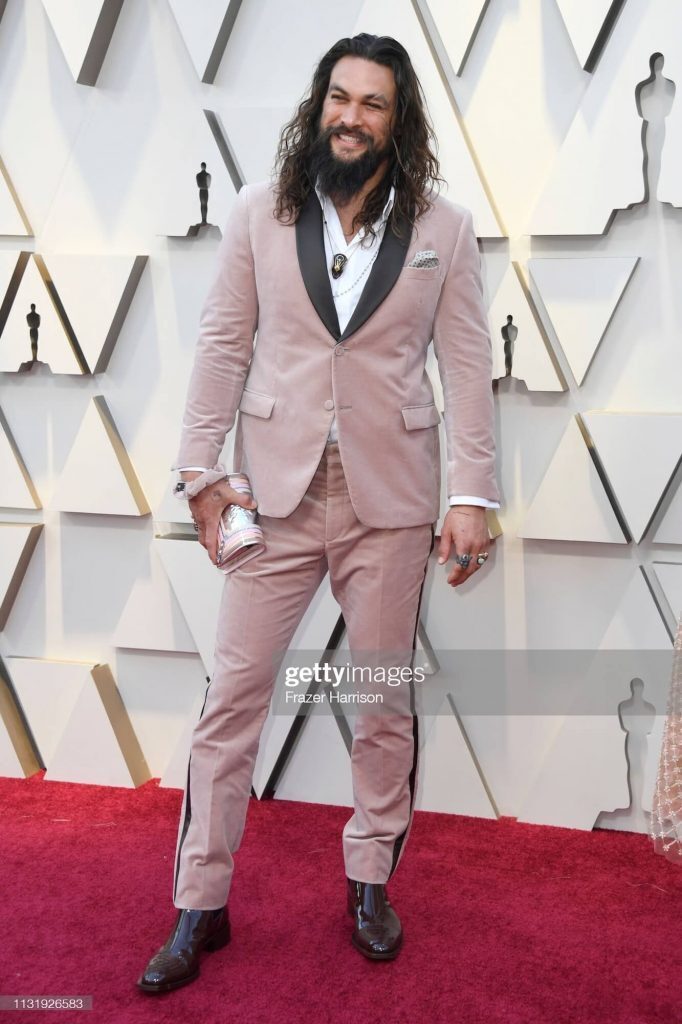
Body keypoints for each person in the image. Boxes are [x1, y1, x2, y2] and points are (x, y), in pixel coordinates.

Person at [137, 32, 500, 994]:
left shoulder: (445, 229)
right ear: (319, 104)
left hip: (391, 500)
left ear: (399, 119)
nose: (351, 116)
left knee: (382, 702)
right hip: (278, 495)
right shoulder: (261, 213)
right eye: (339, 97)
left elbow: (467, 369)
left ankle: (371, 881)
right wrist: (199, 473)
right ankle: (199, 902)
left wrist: (471, 495)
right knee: (231, 708)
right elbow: (221, 347)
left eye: (372, 103)